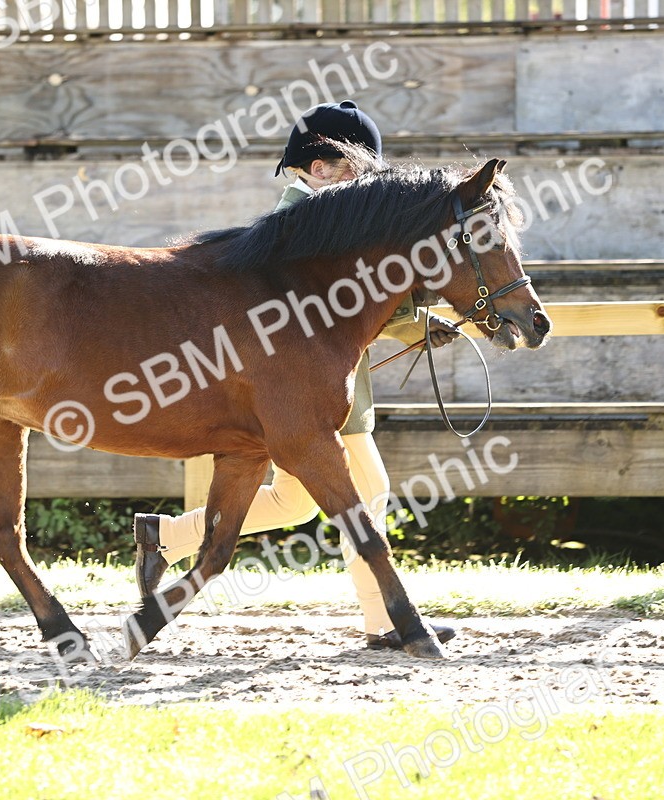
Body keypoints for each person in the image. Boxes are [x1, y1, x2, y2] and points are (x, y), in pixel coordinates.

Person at [134, 101, 460, 649]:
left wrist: (415, 320)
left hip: (327, 388)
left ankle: (164, 535)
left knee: (295, 501)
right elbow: (335, 304)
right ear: (318, 169)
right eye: (358, 171)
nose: (368, 185)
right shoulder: (299, 229)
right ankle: (385, 622)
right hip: (304, 395)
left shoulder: (333, 228)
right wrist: (413, 318)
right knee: (369, 491)